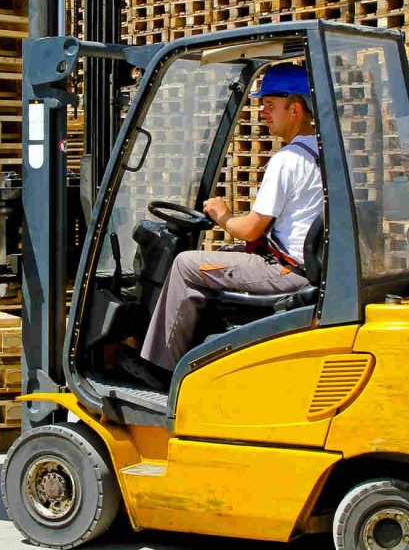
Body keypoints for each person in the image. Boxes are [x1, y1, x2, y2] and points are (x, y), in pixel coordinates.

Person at [120, 62, 324, 388]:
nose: (263, 114)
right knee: (222, 256)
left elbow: (250, 230)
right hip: (300, 264)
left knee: (187, 264)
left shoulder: (288, 160)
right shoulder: (319, 152)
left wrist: (222, 214)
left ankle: (160, 369)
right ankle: (200, 352)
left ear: (295, 108)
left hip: (286, 271)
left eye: (270, 106)